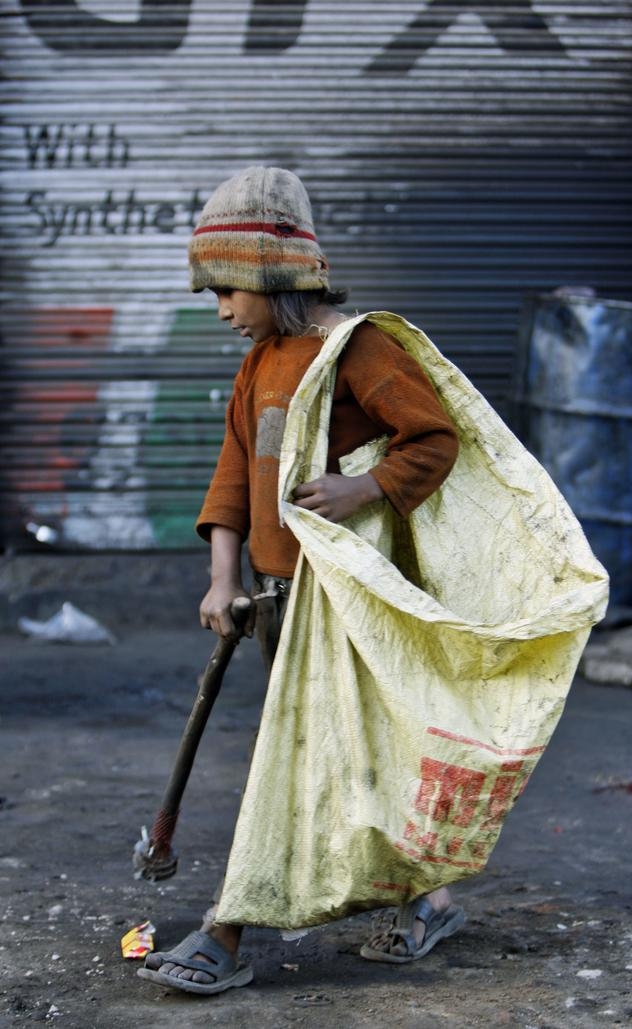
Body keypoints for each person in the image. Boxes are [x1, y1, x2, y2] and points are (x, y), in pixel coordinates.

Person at [138, 165, 465, 996]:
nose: (220, 310)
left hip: (348, 602)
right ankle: (431, 895)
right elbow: (232, 472)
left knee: (298, 757)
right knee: (345, 756)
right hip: (278, 601)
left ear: (269, 272)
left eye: (226, 290)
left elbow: (432, 438)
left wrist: (363, 487)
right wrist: (222, 578)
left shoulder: (358, 349)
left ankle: (227, 928)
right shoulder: (260, 363)